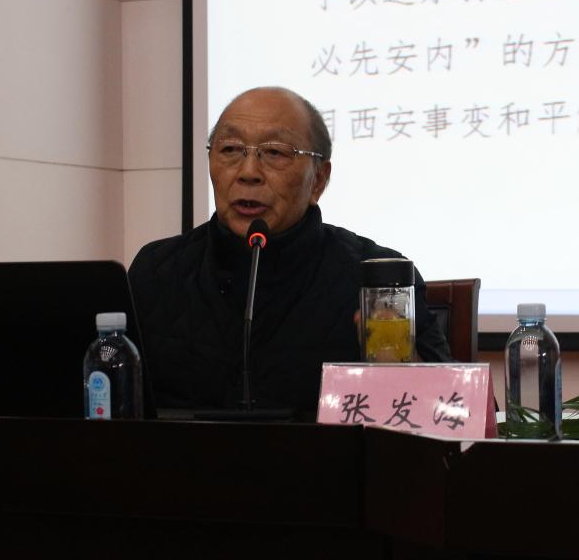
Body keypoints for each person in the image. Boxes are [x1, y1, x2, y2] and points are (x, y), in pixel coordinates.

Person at [129, 87, 451, 416]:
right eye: (230, 149)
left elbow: (447, 414)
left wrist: (397, 366)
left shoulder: (378, 280)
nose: (248, 172)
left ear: (318, 180)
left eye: (275, 152)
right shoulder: (156, 272)